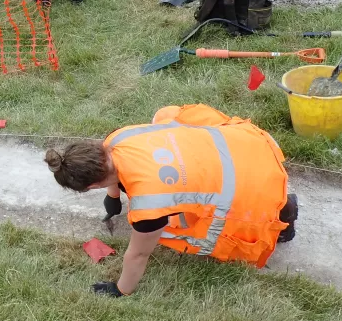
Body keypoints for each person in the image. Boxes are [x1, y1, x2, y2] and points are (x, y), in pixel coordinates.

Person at [45, 104, 298, 297]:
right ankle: (278, 201)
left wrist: (120, 289)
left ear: (92, 185)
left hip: (254, 182)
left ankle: (282, 210)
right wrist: (113, 197)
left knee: (178, 233)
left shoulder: (149, 206)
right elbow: (110, 169)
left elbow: (138, 254)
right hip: (245, 143)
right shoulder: (118, 138)